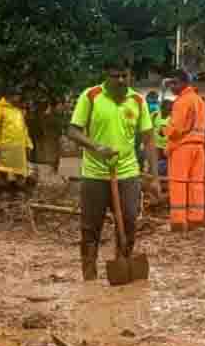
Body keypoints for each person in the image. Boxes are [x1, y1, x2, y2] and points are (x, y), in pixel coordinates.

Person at [66, 67, 160, 281]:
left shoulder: (137, 101)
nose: (120, 80)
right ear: (106, 77)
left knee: (128, 220)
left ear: (130, 76)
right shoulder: (90, 96)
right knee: (91, 226)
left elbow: (149, 139)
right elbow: (72, 130)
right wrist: (96, 147)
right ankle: (89, 274)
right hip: (95, 174)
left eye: (124, 76)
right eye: (114, 76)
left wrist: (154, 177)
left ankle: (123, 263)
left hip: (127, 172)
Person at [164, 71, 205, 232]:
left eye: (174, 83)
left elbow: (176, 129)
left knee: (178, 184)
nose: (172, 87)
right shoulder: (200, 101)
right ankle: (196, 220)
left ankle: (178, 222)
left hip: (182, 148)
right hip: (199, 147)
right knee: (196, 184)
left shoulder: (181, 102)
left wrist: (165, 132)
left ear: (184, 83)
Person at [0, 91, 33, 183]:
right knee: (1, 171)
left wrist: (28, 144)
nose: (19, 99)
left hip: (18, 150)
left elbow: (23, 129)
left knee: (20, 172)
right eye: (17, 96)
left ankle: (17, 190)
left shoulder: (17, 111)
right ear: (9, 96)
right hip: (3, 148)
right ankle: (2, 190)